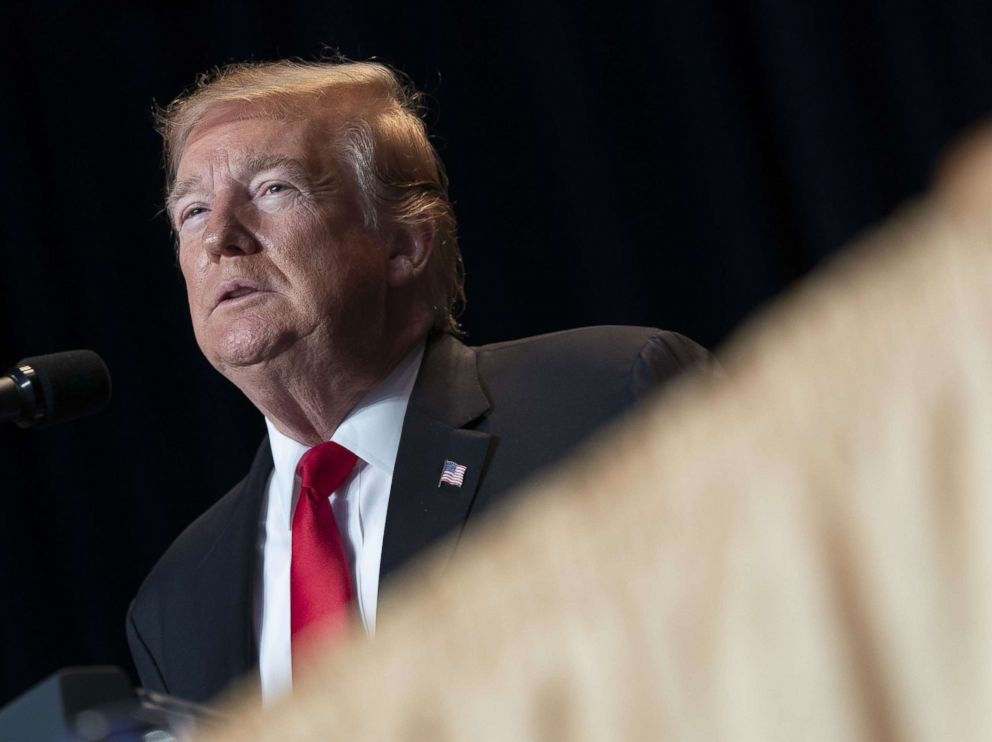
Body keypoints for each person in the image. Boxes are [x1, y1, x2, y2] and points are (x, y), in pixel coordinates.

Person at [126, 59, 710, 705]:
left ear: (405, 242)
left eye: (272, 189)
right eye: (193, 210)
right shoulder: (173, 604)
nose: (219, 239)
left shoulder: (604, 404)